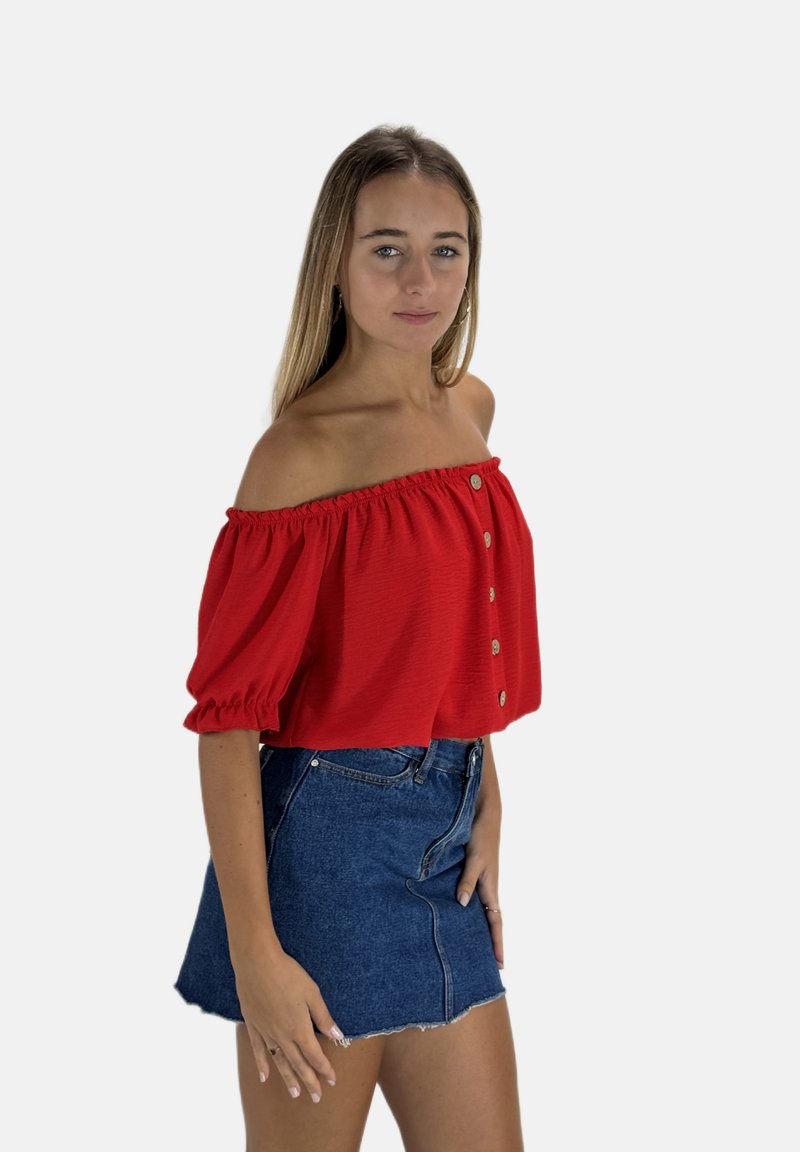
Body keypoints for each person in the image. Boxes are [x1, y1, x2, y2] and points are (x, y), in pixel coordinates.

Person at [175, 123, 542, 1152]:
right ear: (335, 265)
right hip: (326, 855)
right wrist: (255, 951)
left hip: (444, 830)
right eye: (387, 249)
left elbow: (445, 643)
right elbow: (227, 723)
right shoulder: (299, 455)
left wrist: (487, 792)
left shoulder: (470, 409)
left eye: (445, 249)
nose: (420, 280)